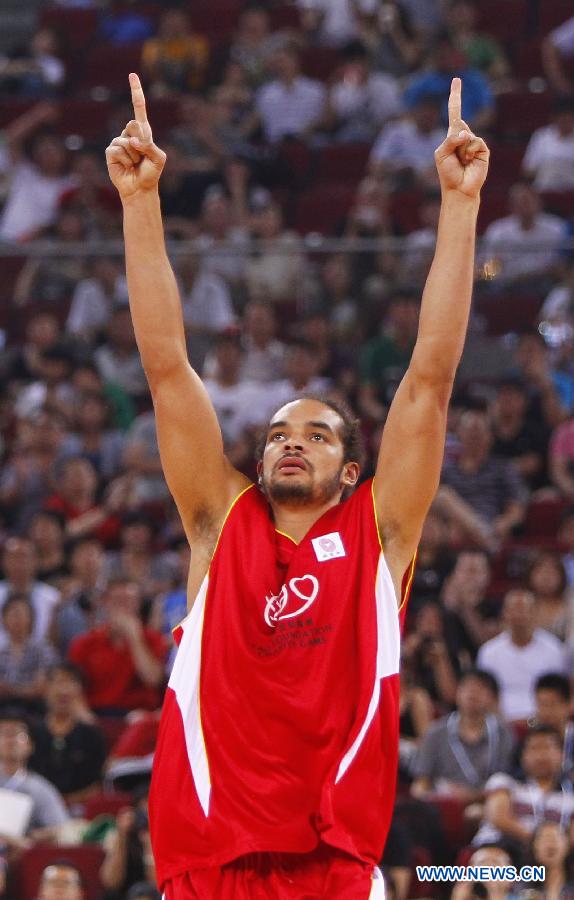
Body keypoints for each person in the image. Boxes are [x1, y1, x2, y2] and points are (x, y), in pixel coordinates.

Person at [106, 72, 489, 899]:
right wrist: (141, 204)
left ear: (351, 471)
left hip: (333, 865)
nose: (291, 443)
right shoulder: (218, 517)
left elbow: (429, 379)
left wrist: (458, 209)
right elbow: (168, 369)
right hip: (206, 859)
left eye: (316, 435)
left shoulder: (381, 532)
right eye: (279, 432)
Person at [411, 669, 513, 802]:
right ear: (457, 692)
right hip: (445, 800)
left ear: (493, 698)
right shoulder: (435, 732)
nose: (473, 693)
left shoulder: (503, 733)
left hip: (487, 801)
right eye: (467, 687)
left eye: (480, 688)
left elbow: (506, 778)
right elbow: (421, 782)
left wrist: (475, 796)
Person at [68, 578, 167, 714]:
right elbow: (73, 688)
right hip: (97, 713)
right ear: (105, 603)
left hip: (139, 715)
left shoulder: (153, 639)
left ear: (137, 604)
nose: (123, 607)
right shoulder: (85, 643)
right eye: (117, 601)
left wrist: (134, 638)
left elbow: (153, 679)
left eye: (129, 601)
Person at [473, 726, 574, 855]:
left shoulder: (570, 794)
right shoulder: (504, 781)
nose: (541, 755)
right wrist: (538, 840)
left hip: (548, 856)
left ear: (562, 755)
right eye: (534, 748)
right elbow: (498, 818)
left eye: (547, 748)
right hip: (500, 847)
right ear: (523, 756)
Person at [477, 590, 567, 722]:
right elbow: (485, 693)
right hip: (500, 722)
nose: (518, 615)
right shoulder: (489, 652)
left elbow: (557, 692)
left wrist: (535, 720)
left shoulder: (553, 649)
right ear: (504, 614)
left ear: (535, 613)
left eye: (523, 609)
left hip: (543, 720)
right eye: (513, 609)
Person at [29, 663, 106, 801]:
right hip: (34, 806)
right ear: (45, 688)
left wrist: (65, 803)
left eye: (70, 683)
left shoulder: (92, 735)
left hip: (79, 809)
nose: (63, 691)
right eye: (58, 682)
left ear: (80, 690)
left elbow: (97, 785)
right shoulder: (31, 732)